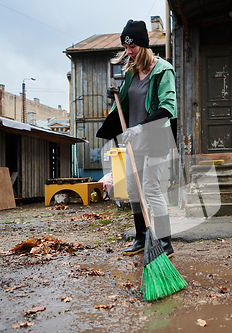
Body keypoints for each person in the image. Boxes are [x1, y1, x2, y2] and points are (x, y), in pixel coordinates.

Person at [96, 19, 177, 258]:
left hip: (155, 138)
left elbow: (168, 107)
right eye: (125, 47)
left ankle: (165, 242)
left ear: (142, 45)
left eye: (131, 47)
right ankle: (141, 238)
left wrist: (141, 128)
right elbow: (126, 104)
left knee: (151, 189)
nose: (128, 51)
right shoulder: (130, 72)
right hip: (133, 141)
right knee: (132, 190)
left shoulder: (163, 70)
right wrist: (114, 96)